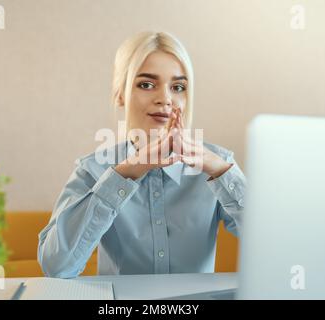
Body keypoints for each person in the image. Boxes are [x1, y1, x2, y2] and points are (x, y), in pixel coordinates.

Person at [38, 31, 246, 278]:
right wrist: (126, 172)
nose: (165, 99)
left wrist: (220, 170)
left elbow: (277, 246)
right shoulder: (92, 170)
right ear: (120, 93)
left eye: (178, 87)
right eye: (147, 84)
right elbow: (57, 267)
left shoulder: (218, 166)